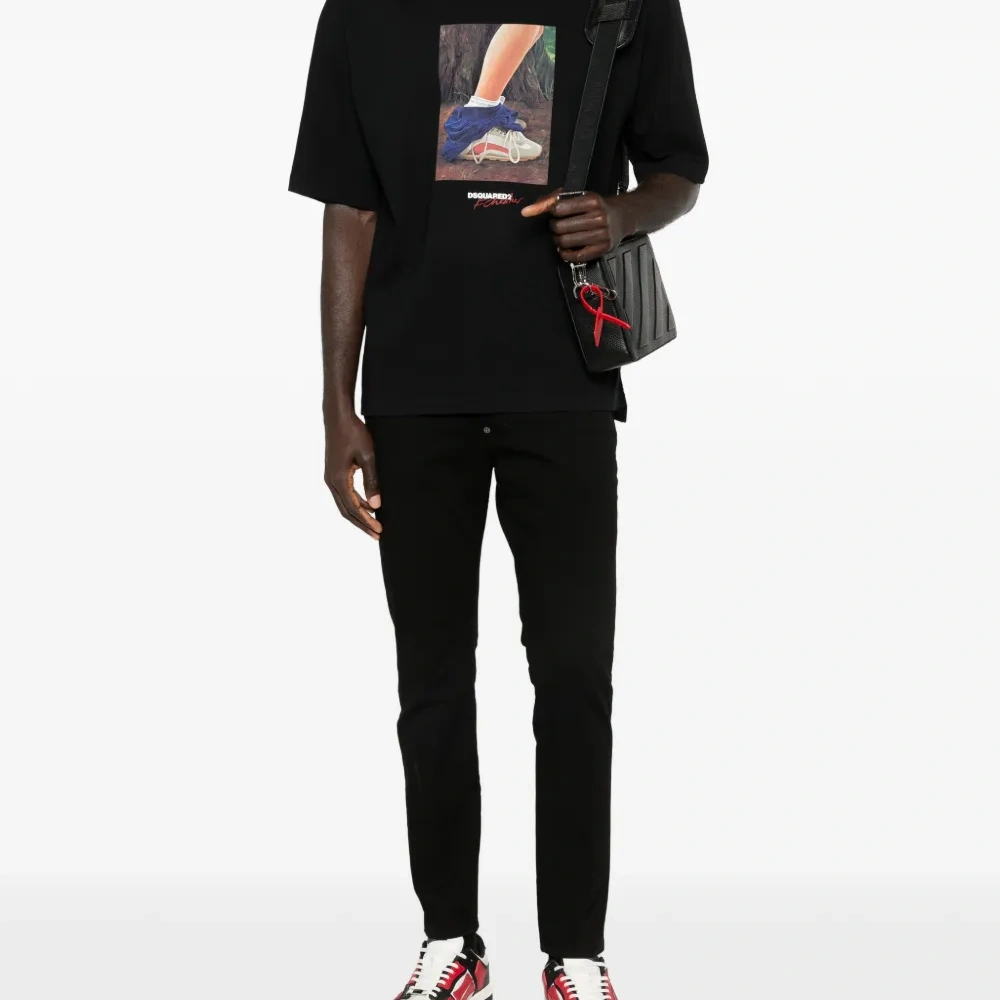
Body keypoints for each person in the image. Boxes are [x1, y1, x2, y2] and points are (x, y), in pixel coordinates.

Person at [289, 1, 708, 998]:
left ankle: (576, 952)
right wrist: (338, 406)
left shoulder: (625, 2)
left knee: (574, 674)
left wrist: (620, 215)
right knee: (431, 680)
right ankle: (452, 942)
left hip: (562, 386)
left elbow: (679, 168)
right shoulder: (361, 12)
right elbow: (349, 208)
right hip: (413, 394)